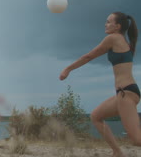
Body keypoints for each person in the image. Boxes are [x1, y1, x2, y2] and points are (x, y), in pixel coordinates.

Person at [59, 12, 139, 157]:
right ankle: (117, 152)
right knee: (96, 116)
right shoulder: (122, 40)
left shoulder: (113, 38)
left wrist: (68, 69)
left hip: (125, 94)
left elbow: (89, 56)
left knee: (137, 140)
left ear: (117, 26)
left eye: (108, 22)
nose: (105, 24)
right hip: (125, 92)